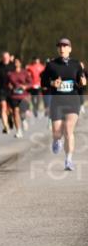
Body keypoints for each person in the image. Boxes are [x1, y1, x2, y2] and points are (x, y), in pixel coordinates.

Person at [44, 38, 86, 171]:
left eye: (65, 46)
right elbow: (43, 82)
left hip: (72, 101)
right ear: (58, 49)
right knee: (57, 132)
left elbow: (81, 80)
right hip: (57, 102)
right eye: (60, 46)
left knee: (68, 130)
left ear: (70, 49)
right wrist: (51, 83)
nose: (62, 48)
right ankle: (56, 140)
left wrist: (82, 82)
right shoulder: (51, 65)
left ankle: (68, 160)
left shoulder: (76, 64)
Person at [6, 59, 32, 138]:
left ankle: (23, 120)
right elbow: (7, 83)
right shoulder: (10, 73)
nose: (16, 64)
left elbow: (30, 83)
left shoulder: (24, 72)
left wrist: (25, 86)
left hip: (23, 96)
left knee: (22, 111)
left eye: (17, 62)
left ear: (20, 63)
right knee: (15, 112)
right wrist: (9, 85)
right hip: (14, 95)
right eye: (15, 62)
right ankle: (18, 131)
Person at [0, 51, 16, 133]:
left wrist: (13, 84)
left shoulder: (13, 65)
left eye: (6, 57)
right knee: (3, 107)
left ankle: (10, 118)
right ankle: (6, 126)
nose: (5, 59)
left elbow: (17, 76)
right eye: (4, 57)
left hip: (11, 90)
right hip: (2, 89)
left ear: (9, 57)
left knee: (11, 109)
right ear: (2, 58)